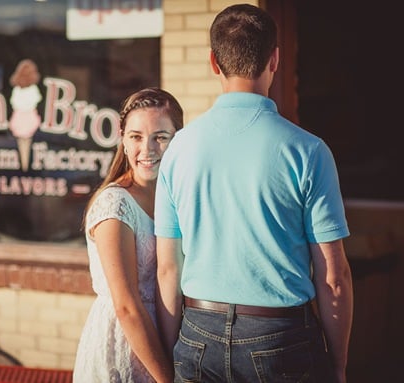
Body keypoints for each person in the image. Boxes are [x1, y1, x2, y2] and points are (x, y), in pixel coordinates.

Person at [154, 4, 353, 383]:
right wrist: (339, 366)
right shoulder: (308, 151)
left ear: (213, 63)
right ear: (274, 59)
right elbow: (334, 278)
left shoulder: (178, 148)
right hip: (281, 337)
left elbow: (167, 269)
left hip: (196, 335)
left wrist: (172, 355)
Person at [73, 87, 184, 383]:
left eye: (160, 137)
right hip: (124, 347)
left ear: (178, 139)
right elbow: (126, 306)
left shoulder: (175, 198)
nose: (146, 149)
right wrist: (167, 378)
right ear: (122, 137)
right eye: (135, 136)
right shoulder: (115, 204)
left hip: (167, 340)